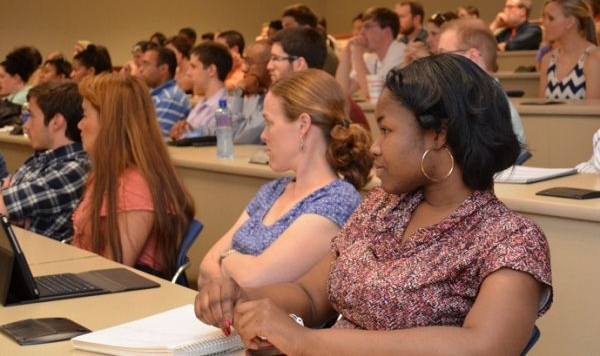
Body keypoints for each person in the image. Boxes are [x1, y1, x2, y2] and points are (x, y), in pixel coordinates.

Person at [195, 55, 553, 355]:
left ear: (439, 134)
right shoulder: (382, 206)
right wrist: (243, 296)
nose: (374, 147)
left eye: (387, 130)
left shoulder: (510, 239)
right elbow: (309, 294)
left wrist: (307, 341)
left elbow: (482, 347)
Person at [197, 69, 372, 289]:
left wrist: (226, 258)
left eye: (270, 122)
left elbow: (252, 281)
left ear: (302, 125)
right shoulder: (274, 190)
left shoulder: (338, 200)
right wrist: (237, 267)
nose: (263, 135)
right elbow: (204, 270)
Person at [73, 73, 195, 278]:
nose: (79, 125)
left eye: (85, 115)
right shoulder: (110, 174)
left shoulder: (134, 186)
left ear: (109, 123)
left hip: (124, 300)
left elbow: (113, 276)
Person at [0, 81, 90, 241]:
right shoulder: (42, 158)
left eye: (32, 116)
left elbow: (3, 206)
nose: (26, 126)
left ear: (56, 122)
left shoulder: (73, 169)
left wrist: (8, 209)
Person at [437, 18, 527, 147]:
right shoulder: (472, 100)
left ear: (473, 57)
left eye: (443, 55)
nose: (438, 63)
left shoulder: (491, 110)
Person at [270, 27, 370, 132]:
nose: (269, 66)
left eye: (275, 58)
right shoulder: (293, 101)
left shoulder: (332, 107)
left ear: (300, 64)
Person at [336, 7, 405, 102]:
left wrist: (358, 56)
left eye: (367, 27)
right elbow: (342, 91)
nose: (361, 32)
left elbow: (375, 94)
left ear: (386, 32)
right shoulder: (371, 56)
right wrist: (347, 53)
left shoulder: (400, 52)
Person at [539, 0, 600, 100]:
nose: (545, 23)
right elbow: (541, 106)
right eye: (544, 18)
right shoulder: (547, 60)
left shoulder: (594, 58)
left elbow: (593, 112)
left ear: (570, 22)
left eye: (551, 18)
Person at [169, 42, 232, 139]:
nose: (188, 73)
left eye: (193, 67)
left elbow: (216, 139)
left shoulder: (225, 107)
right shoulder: (202, 103)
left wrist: (187, 134)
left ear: (211, 70)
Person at [138, 44, 191, 136]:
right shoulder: (156, 94)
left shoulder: (169, 98)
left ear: (163, 69)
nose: (140, 69)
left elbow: (156, 138)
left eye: (146, 64)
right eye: (141, 65)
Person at [228, 39, 272, 144]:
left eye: (249, 63)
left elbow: (234, 137)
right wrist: (192, 130)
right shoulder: (252, 93)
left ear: (270, 64)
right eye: (244, 62)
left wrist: (239, 91)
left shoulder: (275, 103)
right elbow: (221, 127)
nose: (244, 68)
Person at [281, 4, 339, 76]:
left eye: (288, 26)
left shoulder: (323, 54)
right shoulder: (298, 51)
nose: (283, 31)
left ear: (305, 28)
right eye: (283, 27)